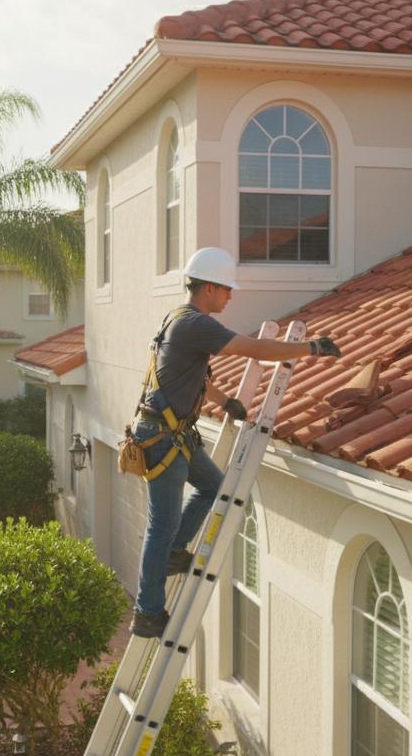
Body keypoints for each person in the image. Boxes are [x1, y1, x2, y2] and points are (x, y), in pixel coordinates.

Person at [128, 247, 341, 639]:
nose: (230, 296)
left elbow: (188, 379)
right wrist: (310, 348)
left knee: (214, 486)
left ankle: (175, 552)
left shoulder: (179, 320)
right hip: (162, 439)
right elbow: (254, 348)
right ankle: (148, 611)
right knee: (161, 524)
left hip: (171, 435)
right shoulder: (195, 324)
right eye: (226, 289)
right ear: (209, 287)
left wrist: (226, 402)